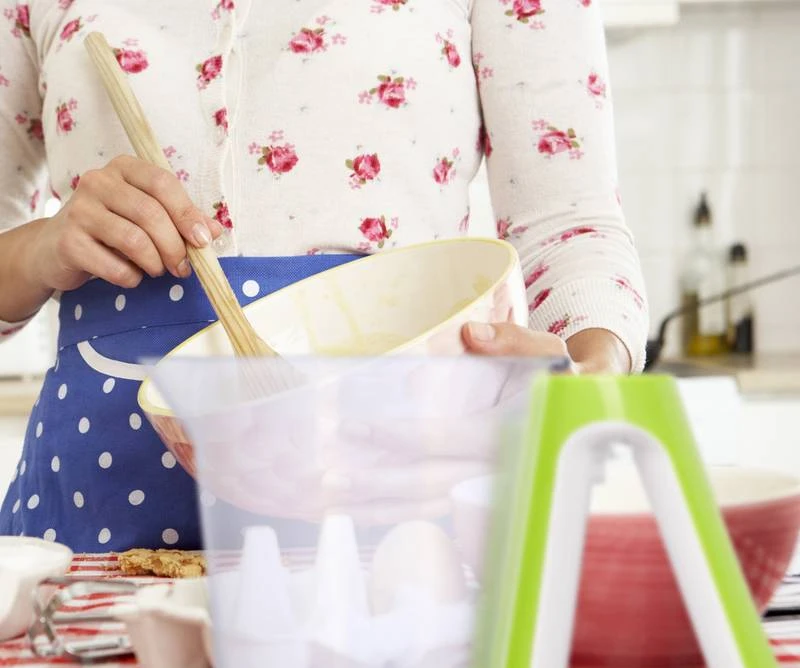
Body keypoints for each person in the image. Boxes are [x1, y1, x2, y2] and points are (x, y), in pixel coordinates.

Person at [0, 0, 648, 553]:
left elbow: (569, 223)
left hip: (396, 508)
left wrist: (586, 388)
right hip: (88, 524)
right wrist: (41, 248)